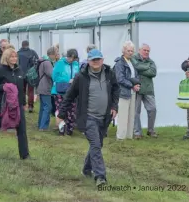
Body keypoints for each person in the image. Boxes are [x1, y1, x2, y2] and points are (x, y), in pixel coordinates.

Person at [57, 49, 119, 187]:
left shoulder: (109, 73)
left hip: (104, 117)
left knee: (97, 145)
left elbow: (116, 89)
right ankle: (100, 176)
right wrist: (61, 115)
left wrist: (115, 106)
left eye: (98, 59)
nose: (96, 62)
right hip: (88, 117)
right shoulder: (81, 77)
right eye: (93, 60)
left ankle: (86, 169)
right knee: (96, 145)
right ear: (88, 61)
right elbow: (69, 95)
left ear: (102, 60)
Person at [113, 41, 140, 140]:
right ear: (123, 50)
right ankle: (120, 137)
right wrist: (132, 86)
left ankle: (129, 136)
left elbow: (135, 75)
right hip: (123, 92)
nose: (130, 53)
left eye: (132, 51)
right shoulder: (119, 63)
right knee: (123, 116)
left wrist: (137, 84)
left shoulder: (132, 62)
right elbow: (120, 78)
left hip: (132, 92)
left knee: (131, 115)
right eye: (128, 50)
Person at [52, 49, 80, 135]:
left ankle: (69, 130)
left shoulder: (76, 64)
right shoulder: (60, 63)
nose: (72, 60)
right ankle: (61, 130)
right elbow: (54, 77)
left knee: (71, 111)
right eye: (71, 58)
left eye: (74, 58)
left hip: (72, 92)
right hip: (60, 91)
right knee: (61, 111)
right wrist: (68, 80)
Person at [133, 44, 158, 138]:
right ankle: (137, 132)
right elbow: (135, 67)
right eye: (145, 50)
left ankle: (151, 130)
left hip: (148, 89)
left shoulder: (151, 61)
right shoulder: (133, 58)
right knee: (136, 111)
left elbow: (153, 72)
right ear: (139, 50)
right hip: (137, 88)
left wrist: (139, 69)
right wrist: (145, 67)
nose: (146, 52)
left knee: (152, 109)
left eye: (148, 51)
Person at [18, 40, 39, 112]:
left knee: (22, 90)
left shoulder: (18, 53)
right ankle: (30, 106)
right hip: (31, 74)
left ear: (22, 45)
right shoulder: (32, 52)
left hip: (21, 74)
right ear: (28, 45)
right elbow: (37, 61)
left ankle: (23, 105)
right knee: (30, 91)